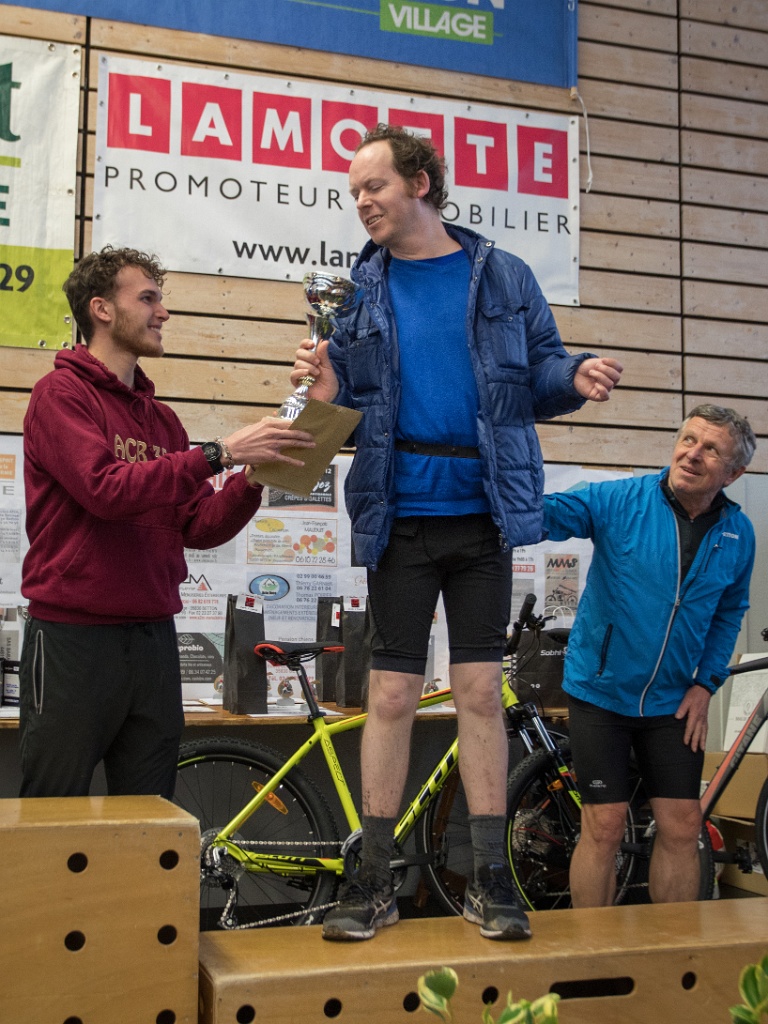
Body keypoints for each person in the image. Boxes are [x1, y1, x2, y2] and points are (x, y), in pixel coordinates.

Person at [290, 124, 623, 941]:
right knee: (391, 694)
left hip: (484, 513)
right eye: (353, 191)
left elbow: (540, 369)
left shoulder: (502, 274)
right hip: (398, 513)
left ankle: (491, 879)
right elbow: (346, 405)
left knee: (478, 692)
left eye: (373, 185)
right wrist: (325, 388)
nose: (361, 201)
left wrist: (574, 375)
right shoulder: (356, 292)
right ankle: (372, 879)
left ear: (421, 183)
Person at [19, 245, 315, 800]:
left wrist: (251, 478)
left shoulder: (163, 421)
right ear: (102, 309)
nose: (164, 312)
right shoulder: (59, 395)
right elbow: (104, 490)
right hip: (73, 640)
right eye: (148, 298)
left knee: (149, 813)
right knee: (53, 814)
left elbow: (200, 527)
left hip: (154, 640)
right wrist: (218, 454)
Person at [543, 405, 756, 907]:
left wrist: (706, 683)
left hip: (673, 702)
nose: (692, 454)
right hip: (601, 693)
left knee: (682, 825)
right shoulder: (622, 500)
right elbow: (549, 514)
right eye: (688, 440)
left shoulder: (738, 532)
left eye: (711, 449)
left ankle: (671, 945)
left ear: (733, 474)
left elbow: (729, 612)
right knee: (604, 825)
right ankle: (592, 945)